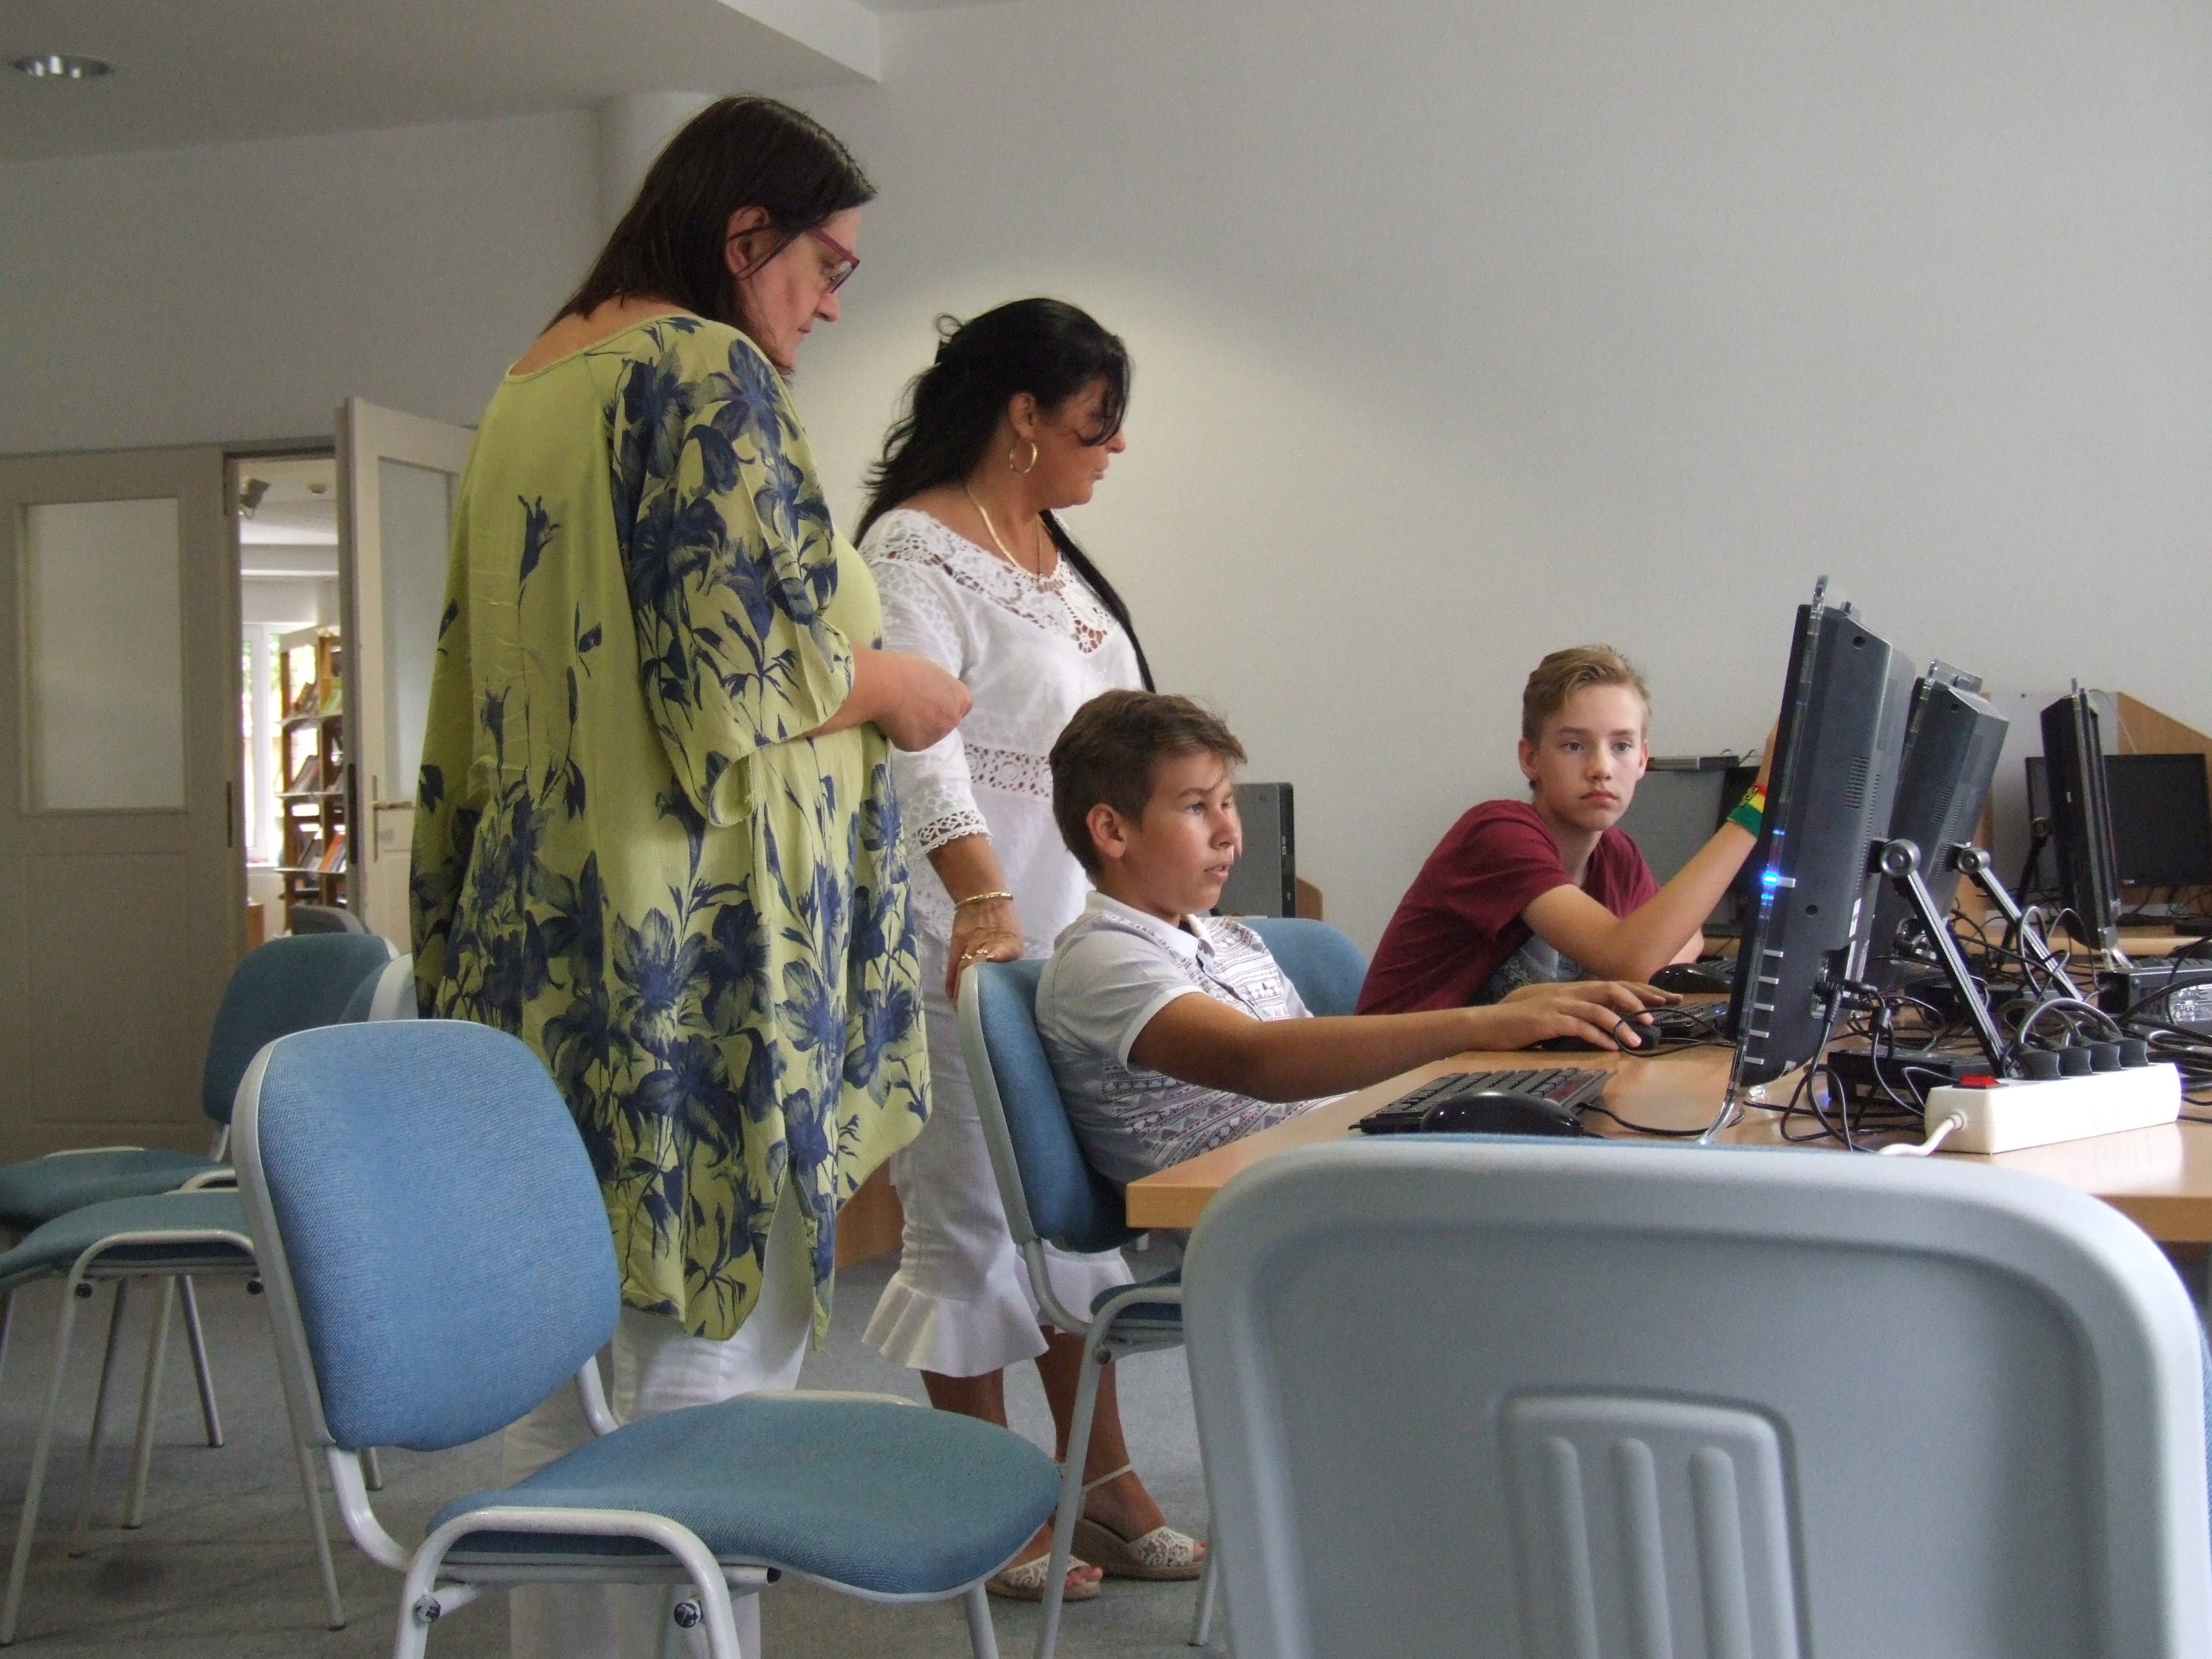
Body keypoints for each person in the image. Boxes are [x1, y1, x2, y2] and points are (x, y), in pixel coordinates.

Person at [409, 97, 970, 1659]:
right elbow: (741, 680)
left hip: (550, 945)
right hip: (701, 957)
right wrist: (894, 684)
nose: (831, 303)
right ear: (744, 237)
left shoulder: (533, 383)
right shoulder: (703, 370)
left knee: (568, 1377)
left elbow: (469, 698)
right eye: (826, 265)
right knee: (705, 1369)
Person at [852, 299, 1195, 1600]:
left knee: (1071, 1223)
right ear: (1024, 417)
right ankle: (985, 1503)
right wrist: (983, 901)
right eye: (1098, 424)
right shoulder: (912, 548)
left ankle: (1101, 1483)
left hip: (1073, 943)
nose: (1114, 449)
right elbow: (918, 749)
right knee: (969, 1223)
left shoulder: (1055, 557)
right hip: (961, 940)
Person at [1034, 691, 1669, 1186]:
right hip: (1264, 1217)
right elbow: (1256, 1062)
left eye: (1227, 803)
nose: (1229, 832)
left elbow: (1322, 1084)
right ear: (1111, 832)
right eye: (1197, 807)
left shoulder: (1235, 939)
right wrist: (1481, 1025)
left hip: (1334, 1169)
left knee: (1597, 1154)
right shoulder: (1100, 955)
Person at [1358, 645, 1766, 1015]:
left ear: (1643, 760)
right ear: (1530, 758)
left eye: (1621, 746)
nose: (1601, 768)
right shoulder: (1497, 835)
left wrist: (1639, 964)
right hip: (1406, 1072)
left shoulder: (1615, 852)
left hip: (1509, 1068)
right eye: (1574, 746)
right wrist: (1760, 801)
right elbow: (1635, 960)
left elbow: (1685, 937)